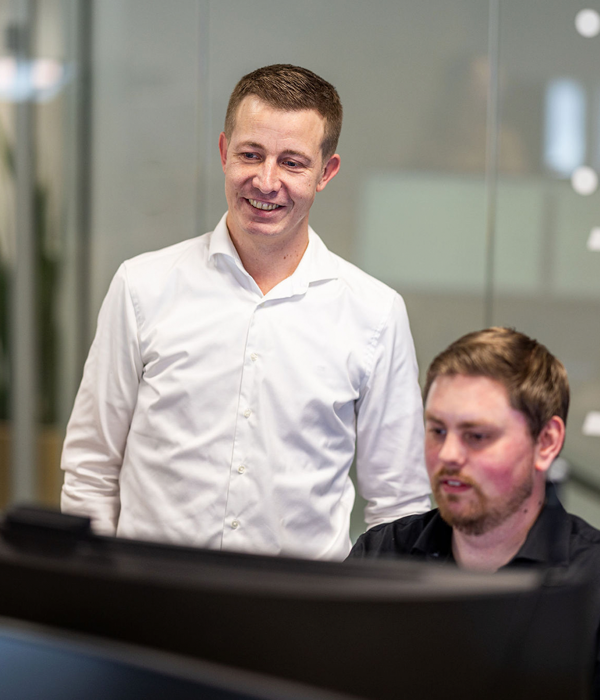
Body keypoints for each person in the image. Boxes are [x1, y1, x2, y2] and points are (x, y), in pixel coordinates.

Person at [60, 64, 430, 560]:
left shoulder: (375, 313)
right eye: (251, 154)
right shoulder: (141, 286)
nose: (266, 180)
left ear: (326, 172)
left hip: (299, 604)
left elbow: (399, 503)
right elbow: (91, 468)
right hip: (149, 594)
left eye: (292, 162)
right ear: (223, 152)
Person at [349, 327, 600, 699]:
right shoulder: (381, 559)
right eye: (437, 430)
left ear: (546, 442)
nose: (447, 455)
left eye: (476, 435)